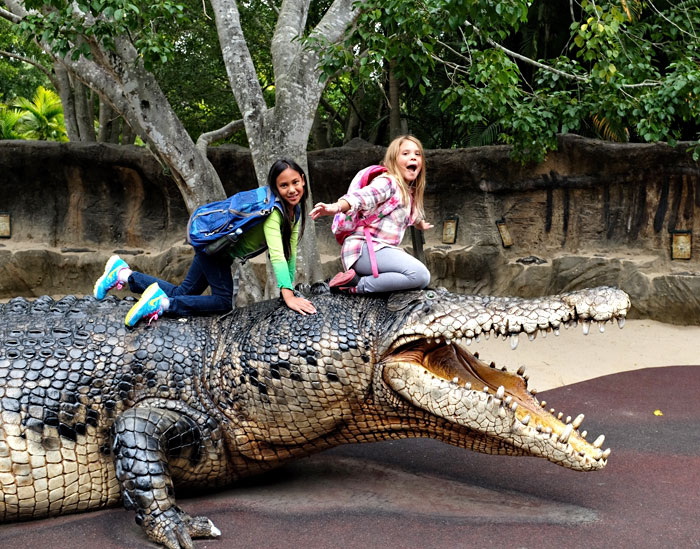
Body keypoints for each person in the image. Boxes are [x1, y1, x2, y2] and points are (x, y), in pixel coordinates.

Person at [94, 158, 317, 326]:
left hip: (215, 248)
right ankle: (163, 305)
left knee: (182, 292)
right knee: (221, 302)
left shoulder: (295, 211)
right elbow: (277, 255)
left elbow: (289, 253)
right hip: (216, 252)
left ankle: (122, 274)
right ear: (275, 188)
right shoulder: (274, 214)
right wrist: (287, 295)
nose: (292, 190)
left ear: (303, 180)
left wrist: (291, 289)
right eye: (284, 185)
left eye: (295, 182)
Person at [310, 134, 433, 294]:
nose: (413, 157)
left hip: (379, 250)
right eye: (405, 153)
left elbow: (412, 216)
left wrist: (420, 224)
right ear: (393, 160)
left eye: (417, 154)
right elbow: (362, 197)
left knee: (413, 275)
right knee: (420, 275)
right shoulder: (388, 182)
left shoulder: (407, 193)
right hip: (363, 250)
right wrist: (336, 207)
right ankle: (354, 285)